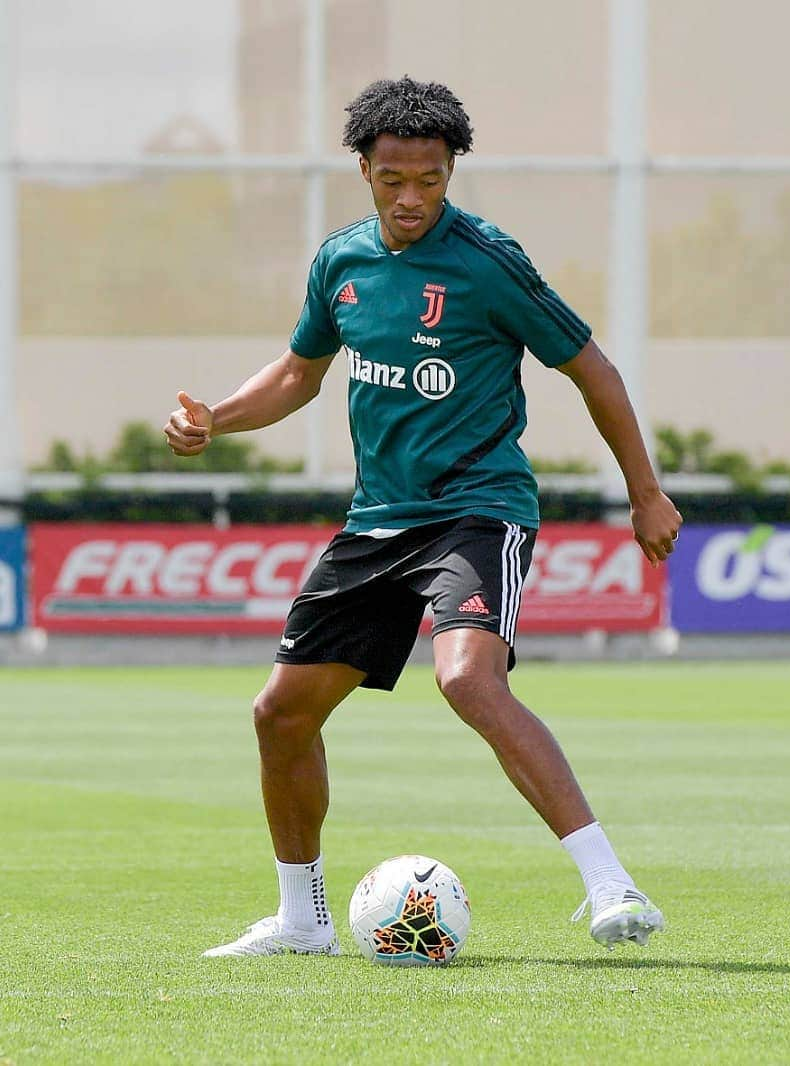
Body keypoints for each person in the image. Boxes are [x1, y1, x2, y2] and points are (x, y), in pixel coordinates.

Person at [164, 76, 682, 958]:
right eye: (394, 179)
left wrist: (645, 491)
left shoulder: (488, 261)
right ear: (363, 168)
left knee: (467, 679)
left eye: (431, 181)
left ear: (452, 173)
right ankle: (302, 920)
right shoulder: (342, 263)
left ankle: (611, 885)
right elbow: (298, 375)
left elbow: (592, 368)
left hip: (479, 509)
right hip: (378, 523)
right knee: (279, 715)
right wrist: (216, 415)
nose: (412, 199)